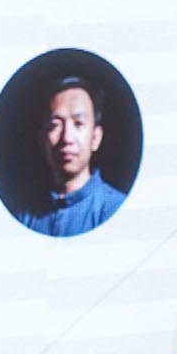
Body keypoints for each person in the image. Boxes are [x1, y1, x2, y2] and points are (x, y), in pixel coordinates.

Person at [17, 75, 127, 237]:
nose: (67, 138)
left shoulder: (116, 209)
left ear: (95, 138)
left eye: (78, 123)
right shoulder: (24, 215)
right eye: (55, 125)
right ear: (42, 139)